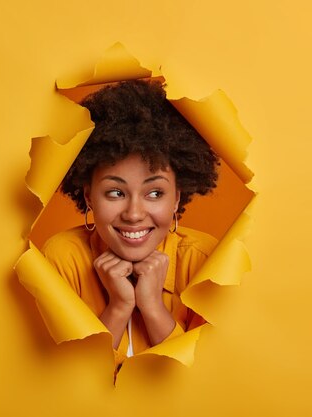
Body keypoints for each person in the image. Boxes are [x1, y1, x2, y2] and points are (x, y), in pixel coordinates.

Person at [42, 80, 220, 366]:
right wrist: (119, 306)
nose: (134, 214)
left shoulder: (204, 261)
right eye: (116, 192)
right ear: (89, 196)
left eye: (154, 193)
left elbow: (209, 383)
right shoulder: (63, 259)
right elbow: (63, 384)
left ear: (176, 198)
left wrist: (152, 307)